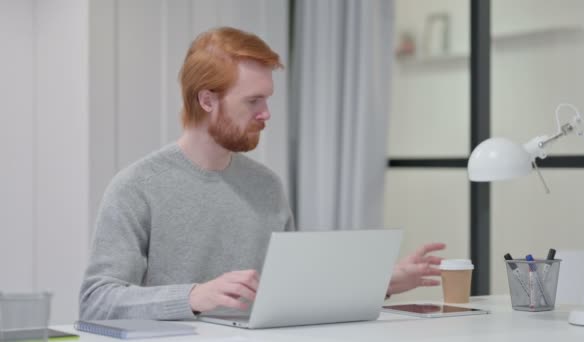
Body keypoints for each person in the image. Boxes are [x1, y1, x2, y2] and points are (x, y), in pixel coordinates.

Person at [79, 27, 445, 320]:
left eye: (267, 99)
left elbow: (293, 290)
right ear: (207, 100)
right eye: (253, 101)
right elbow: (97, 302)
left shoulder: (266, 186)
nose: (266, 114)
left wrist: (382, 280)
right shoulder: (137, 187)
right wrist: (193, 296)